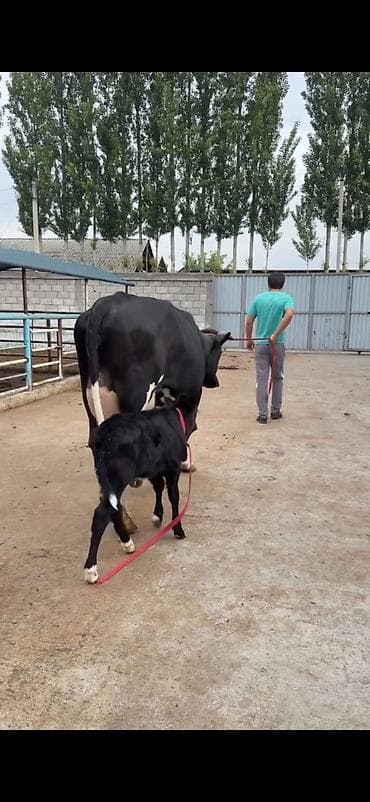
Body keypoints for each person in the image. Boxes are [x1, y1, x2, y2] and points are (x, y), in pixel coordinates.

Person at [245, 271, 295, 423]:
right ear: (282, 283)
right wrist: (276, 334)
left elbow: (248, 321)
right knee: (277, 377)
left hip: (260, 344)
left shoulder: (259, 299)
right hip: (277, 344)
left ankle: (262, 415)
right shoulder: (286, 299)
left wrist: (249, 339)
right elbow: (289, 314)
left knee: (261, 379)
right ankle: (275, 411)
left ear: (268, 283)